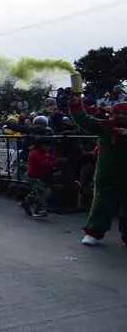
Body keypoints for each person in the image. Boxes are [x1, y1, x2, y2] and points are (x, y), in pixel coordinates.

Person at [69, 98, 127, 246]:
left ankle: (94, 233)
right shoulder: (105, 127)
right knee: (101, 205)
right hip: (107, 175)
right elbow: (83, 119)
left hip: (107, 174)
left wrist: (76, 104)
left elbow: (83, 119)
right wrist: (76, 103)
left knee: (102, 204)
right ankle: (94, 232)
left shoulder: (105, 126)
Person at [21, 138, 58, 219]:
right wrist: (56, 162)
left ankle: (26, 203)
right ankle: (38, 210)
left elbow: (48, 157)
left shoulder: (42, 151)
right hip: (34, 176)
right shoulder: (34, 153)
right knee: (41, 192)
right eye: (47, 146)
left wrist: (55, 159)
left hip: (40, 175)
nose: (49, 148)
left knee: (37, 192)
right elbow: (44, 164)